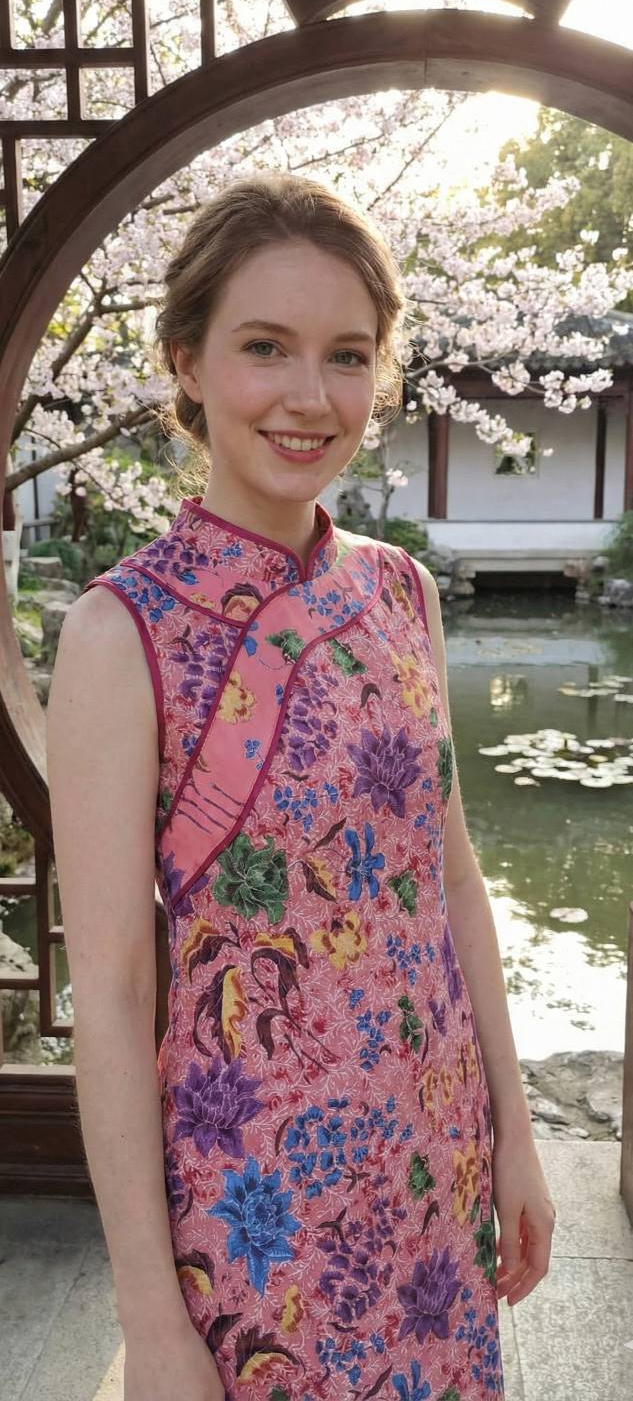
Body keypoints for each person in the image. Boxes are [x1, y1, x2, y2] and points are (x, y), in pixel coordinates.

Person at [47, 171, 555, 1401]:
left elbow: (453, 880)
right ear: (187, 360)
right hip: (257, 1214)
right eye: (265, 346)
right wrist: (150, 1317)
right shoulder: (122, 632)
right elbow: (109, 992)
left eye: (348, 356)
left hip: (435, 1169)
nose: (309, 397)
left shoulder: (400, 591)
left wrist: (517, 1132)